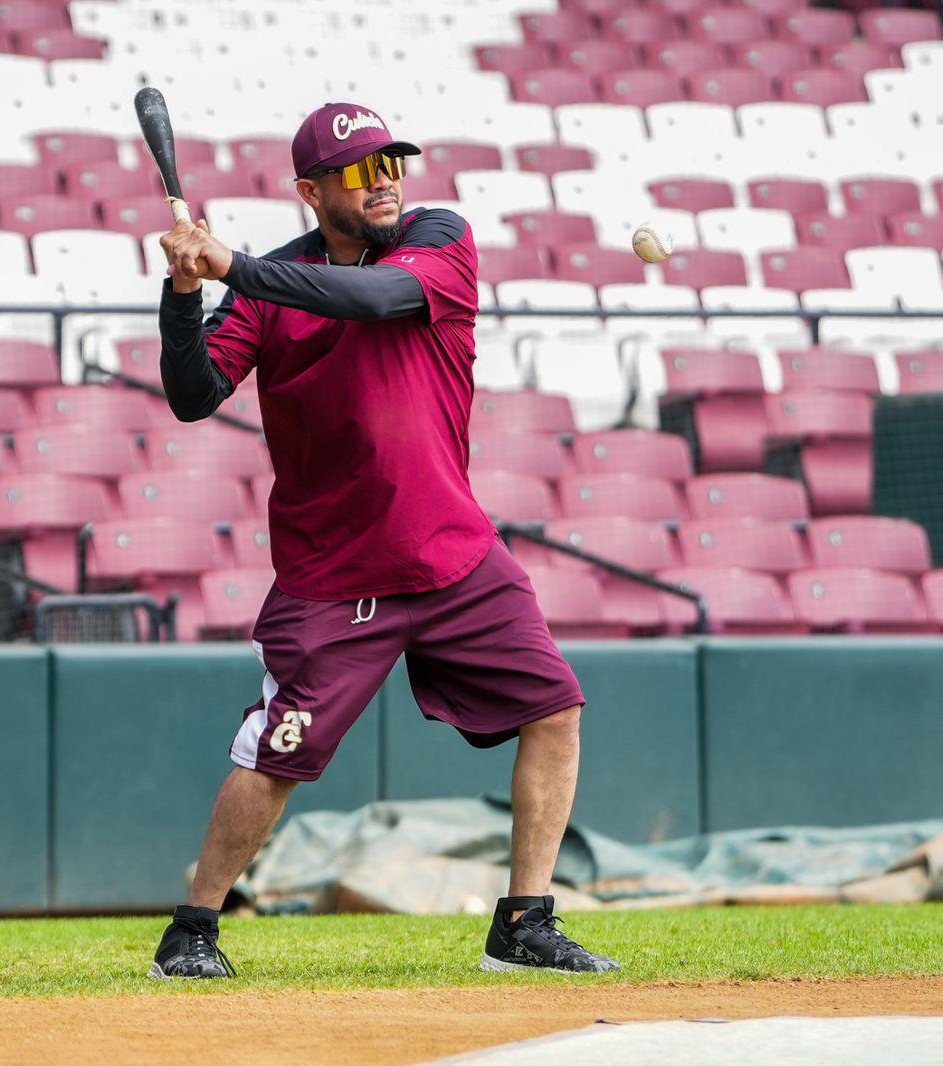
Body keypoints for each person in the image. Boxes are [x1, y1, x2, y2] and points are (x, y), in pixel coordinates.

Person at [149, 102, 618, 979]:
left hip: (454, 553)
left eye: (392, 163)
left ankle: (524, 921)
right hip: (334, 574)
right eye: (363, 171)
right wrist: (185, 293)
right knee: (279, 754)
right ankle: (193, 929)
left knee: (555, 708)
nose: (387, 180)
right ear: (312, 191)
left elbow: (376, 297)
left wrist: (236, 266)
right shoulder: (266, 285)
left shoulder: (438, 239)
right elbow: (193, 392)